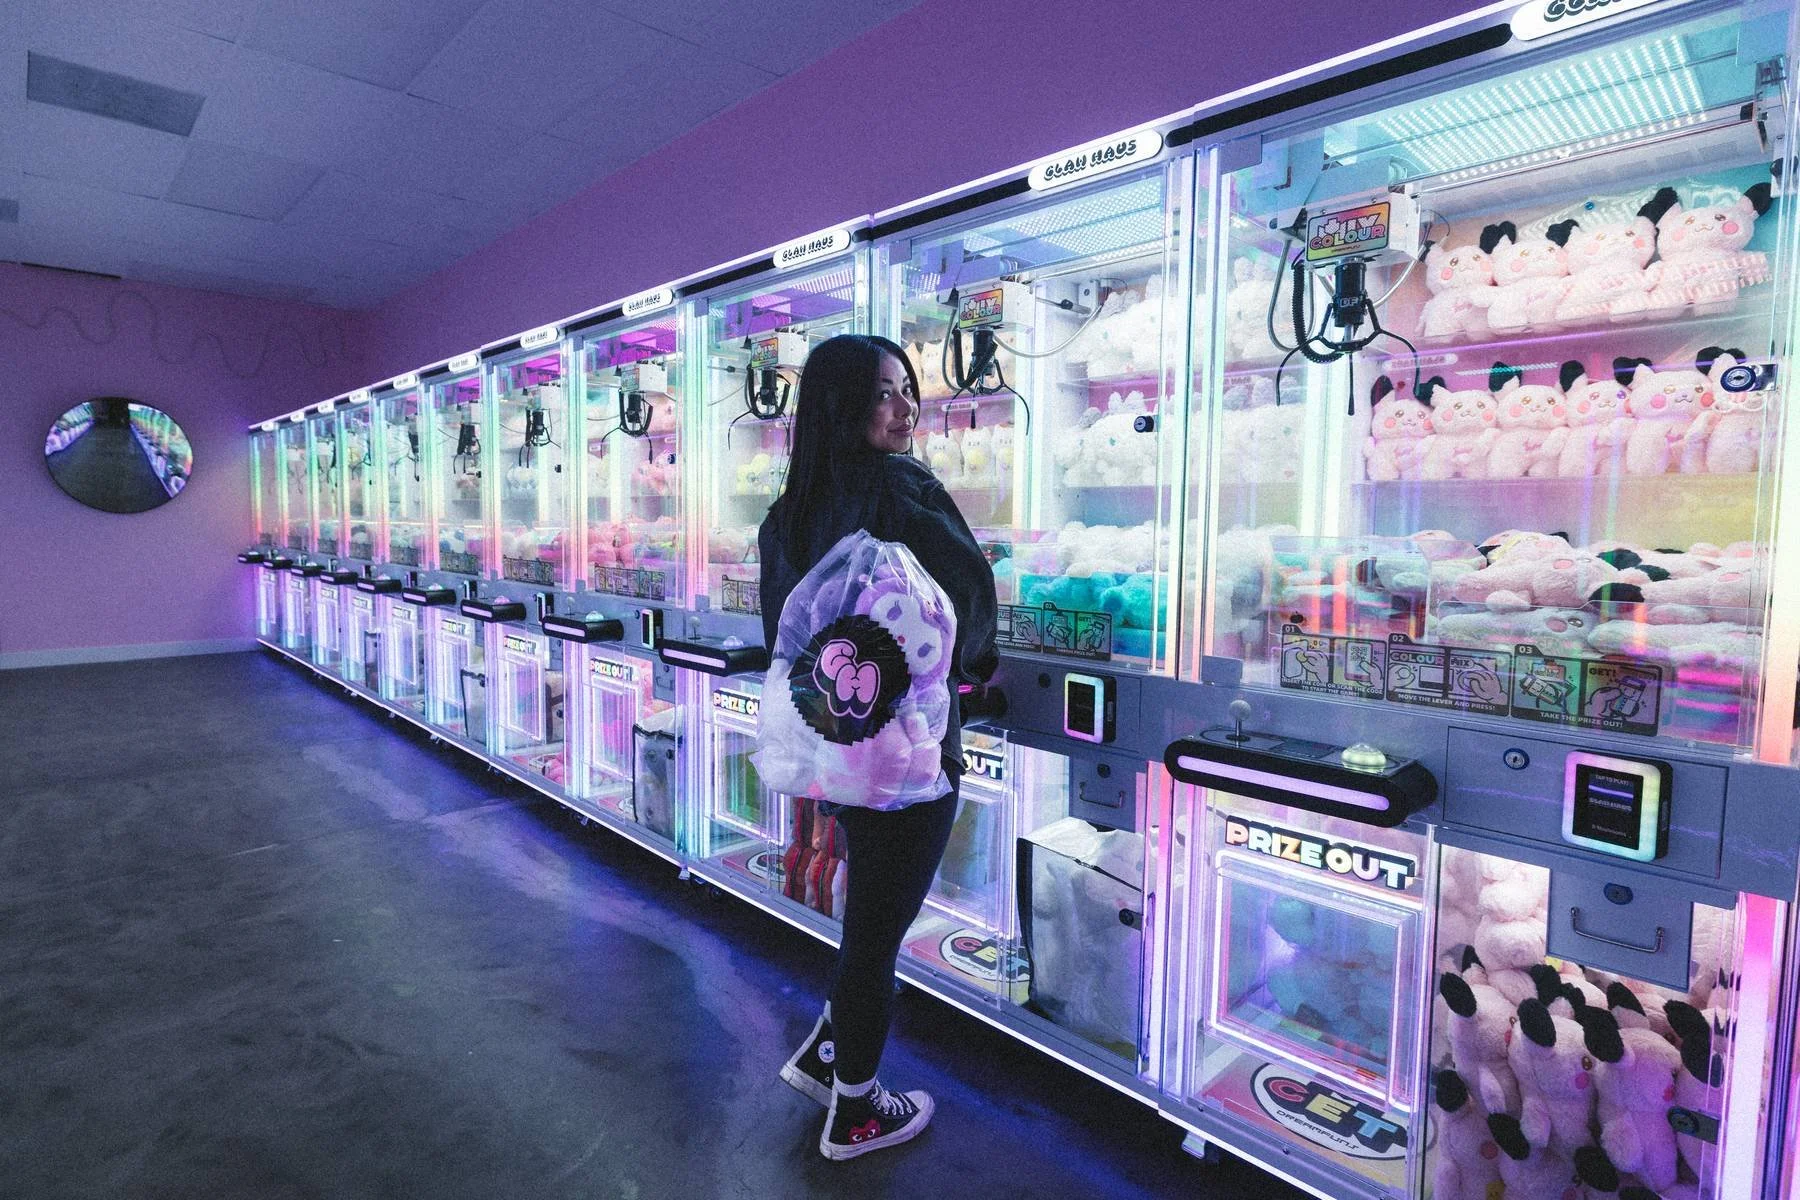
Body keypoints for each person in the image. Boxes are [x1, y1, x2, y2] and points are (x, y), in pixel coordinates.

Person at [757, 333, 998, 1161]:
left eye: (907, 393)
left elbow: (781, 639)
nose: (905, 410)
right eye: (887, 393)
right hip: (913, 754)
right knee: (875, 934)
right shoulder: (901, 487)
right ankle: (857, 1108)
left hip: (839, 750)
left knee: (866, 912)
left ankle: (828, 1056)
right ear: (843, 404)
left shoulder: (789, 508)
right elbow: (966, 593)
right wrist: (973, 671)